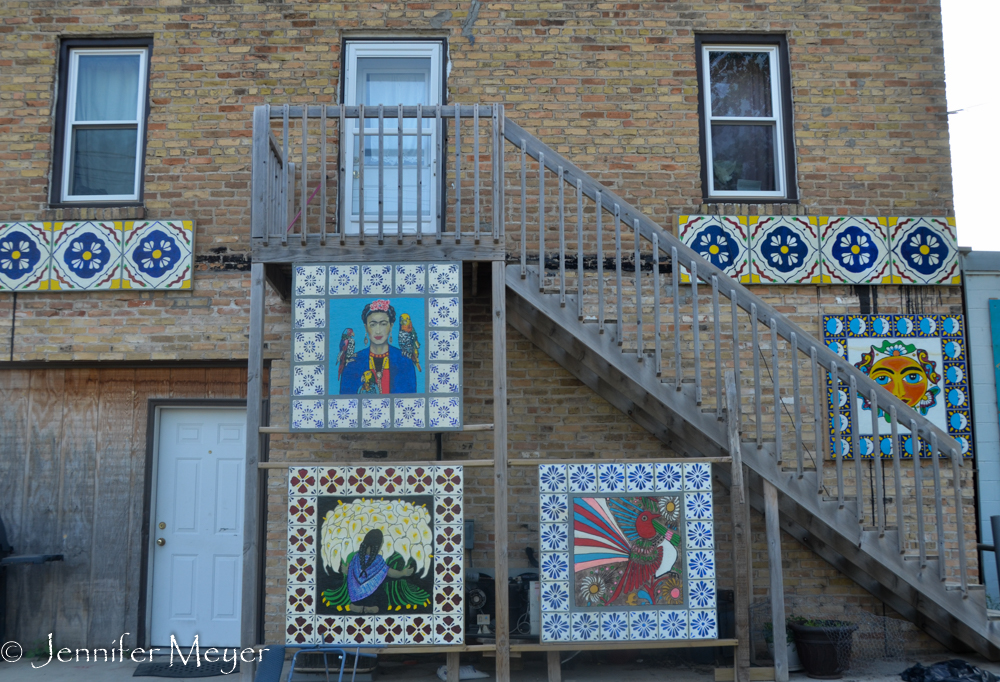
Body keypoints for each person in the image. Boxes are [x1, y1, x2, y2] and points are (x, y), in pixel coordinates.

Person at [338, 299, 418, 395]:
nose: (378, 331)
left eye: (383, 324)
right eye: (373, 324)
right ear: (366, 327)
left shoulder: (405, 362)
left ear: (391, 326)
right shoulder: (353, 363)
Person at [345, 529, 414, 613]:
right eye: (381, 543)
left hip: (355, 598)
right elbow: (390, 572)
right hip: (372, 600)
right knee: (381, 593)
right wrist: (403, 573)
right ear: (377, 545)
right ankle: (371, 608)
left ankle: (357, 607)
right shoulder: (378, 560)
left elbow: (349, 573)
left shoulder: (355, 558)